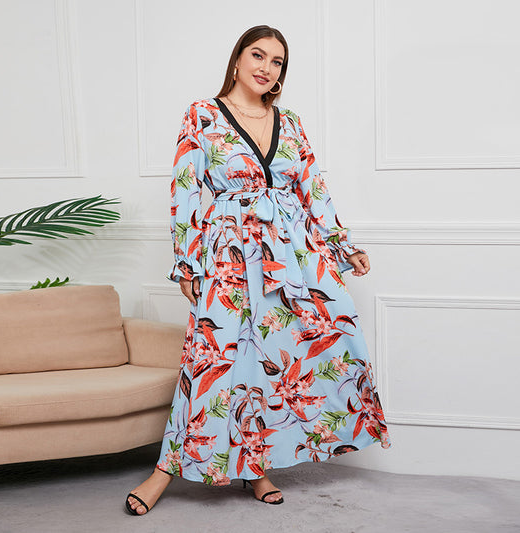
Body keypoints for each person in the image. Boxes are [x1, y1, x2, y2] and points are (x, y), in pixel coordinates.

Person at [126, 24, 391, 516]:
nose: (266, 67)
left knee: (288, 352)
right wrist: (187, 262)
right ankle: (164, 471)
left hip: (292, 255)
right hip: (228, 254)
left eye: (277, 61)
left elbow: (312, 188)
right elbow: (185, 190)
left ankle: (257, 466)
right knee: (212, 361)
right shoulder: (203, 115)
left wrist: (342, 244)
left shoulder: (290, 121)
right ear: (236, 60)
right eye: (258, 55)